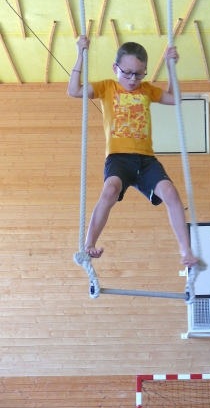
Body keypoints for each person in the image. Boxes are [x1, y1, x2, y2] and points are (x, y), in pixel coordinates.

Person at [68, 35, 202, 270]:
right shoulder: (106, 87)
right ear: (115, 68)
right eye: (127, 72)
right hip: (119, 158)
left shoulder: (147, 90)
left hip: (146, 160)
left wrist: (171, 67)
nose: (132, 79)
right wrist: (80, 54)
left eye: (139, 73)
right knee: (110, 190)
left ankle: (186, 251)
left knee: (171, 193)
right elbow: (74, 91)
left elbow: (175, 98)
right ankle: (88, 245)